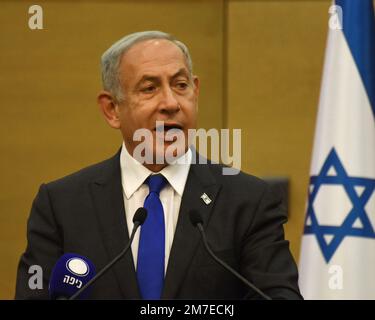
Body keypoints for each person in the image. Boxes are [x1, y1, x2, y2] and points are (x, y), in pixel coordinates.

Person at [15, 31, 302, 299]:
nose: (171, 103)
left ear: (196, 91)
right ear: (112, 109)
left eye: (180, 85)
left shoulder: (248, 201)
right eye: (149, 88)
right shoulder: (61, 205)